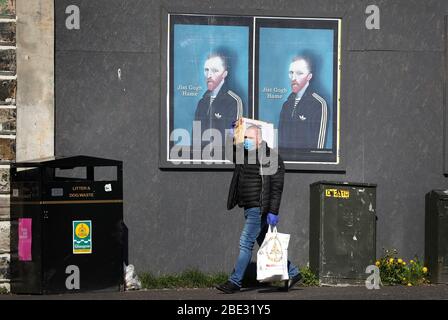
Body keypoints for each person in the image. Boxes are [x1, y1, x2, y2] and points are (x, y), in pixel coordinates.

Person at [216, 124, 302, 294]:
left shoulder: (271, 157)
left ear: (259, 139)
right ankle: (293, 272)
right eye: (245, 138)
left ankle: (234, 281)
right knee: (264, 242)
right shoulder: (244, 154)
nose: (246, 141)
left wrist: (273, 211)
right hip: (248, 207)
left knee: (246, 242)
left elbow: (276, 187)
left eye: (249, 138)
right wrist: (232, 134)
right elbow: (228, 153)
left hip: (259, 207)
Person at [278, 55, 328, 150]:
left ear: (309, 76)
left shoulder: (318, 104)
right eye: (291, 73)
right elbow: (280, 141)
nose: (293, 78)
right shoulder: (286, 105)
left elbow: (319, 148)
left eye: (299, 73)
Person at [194, 53, 243, 145]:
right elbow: (195, 139)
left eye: (215, 70)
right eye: (206, 70)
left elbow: (235, 139)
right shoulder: (201, 103)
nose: (209, 75)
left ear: (224, 74)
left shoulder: (233, 101)